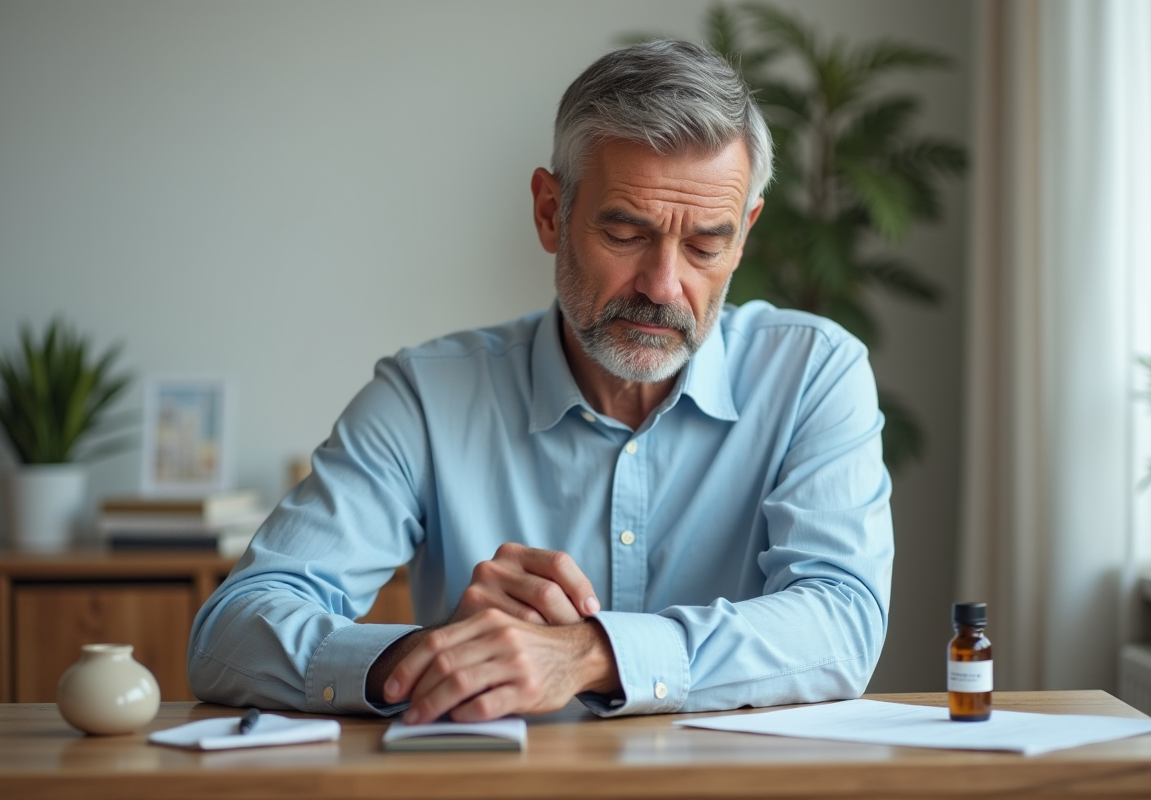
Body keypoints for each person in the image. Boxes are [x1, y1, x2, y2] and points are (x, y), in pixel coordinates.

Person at [188, 39, 893, 724]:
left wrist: (590, 654)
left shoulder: (814, 374)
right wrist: (440, 657)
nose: (662, 285)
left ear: (744, 235)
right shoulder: (425, 399)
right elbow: (231, 633)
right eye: (625, 233)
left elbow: (841, 620)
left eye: (706, 244)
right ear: (550, 212)